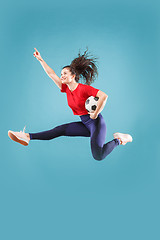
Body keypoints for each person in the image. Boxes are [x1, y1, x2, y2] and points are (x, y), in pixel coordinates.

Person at [8, 48, 133, 161]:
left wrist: (95, 113)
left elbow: (104, 96)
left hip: (96, 124)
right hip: (85, 123)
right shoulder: (66, 89)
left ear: (73, 76)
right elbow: (52, 74)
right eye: (61, 74)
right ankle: (26, 136)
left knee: (98, 155)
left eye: (65, 74)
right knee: (59, 130)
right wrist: (41, 60)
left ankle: (120, 139)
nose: (62, 76)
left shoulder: (83, 88)